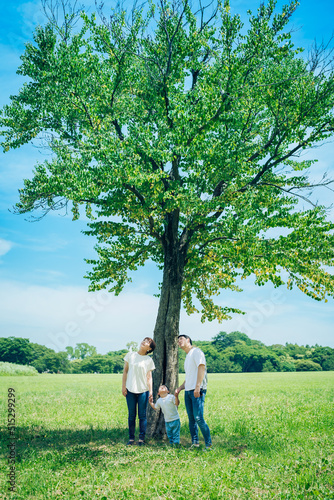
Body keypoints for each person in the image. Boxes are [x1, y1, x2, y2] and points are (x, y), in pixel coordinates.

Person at [175, 334, 212, 450]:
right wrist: (180, 388)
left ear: (188, 340)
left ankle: (208, 444)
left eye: (181, 339)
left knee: (199, 418)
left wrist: (197, 387)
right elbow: (189, 377)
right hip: (188, 391)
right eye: (177, 340)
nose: (179, 342)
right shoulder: (187, 357)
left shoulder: (196, 352)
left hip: (197, 390)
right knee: (191, 419)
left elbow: (201, 367)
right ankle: (195, 443)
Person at [122, 337, 156, 446]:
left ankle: (141, 439)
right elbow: (125, 371)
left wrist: (151, 392)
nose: (144, 342)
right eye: (144, 340)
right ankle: (131, 439)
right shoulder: (130, 355)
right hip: (130, 389)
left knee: (142, 416)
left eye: (147, 342)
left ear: (149, 348)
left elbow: (149, 377)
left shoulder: (148, 360)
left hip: (143, 391)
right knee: (131, 415)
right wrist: (123, 386)